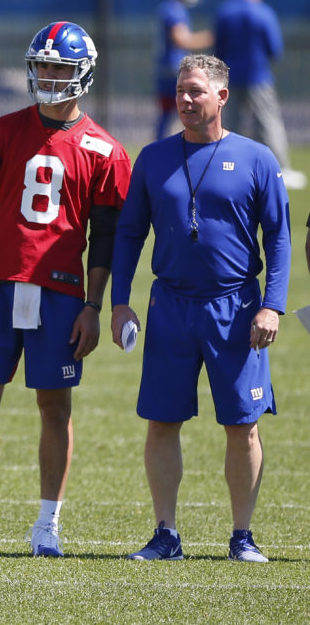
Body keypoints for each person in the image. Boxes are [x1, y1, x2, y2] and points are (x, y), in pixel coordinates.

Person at [0, 22, 132, 558]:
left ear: (81, 73)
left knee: (54, 407)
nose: (48, 75)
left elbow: (105, 239)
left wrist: (94, 305)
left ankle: (47, 527)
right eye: (41, 65)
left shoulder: (106, 150)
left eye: (59, 67)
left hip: (61, 292)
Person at [110, 54, 290, 563]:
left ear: (222, 97)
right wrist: (119, 303)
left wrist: (272, 306)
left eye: (195, 91)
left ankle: (242, 537)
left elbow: (278, 239)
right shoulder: (152, 157)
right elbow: (128, 234)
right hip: (169, 306)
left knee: (243, 424)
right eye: (180, 90)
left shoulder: (256, 158)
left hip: (236, 309)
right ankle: (165, 535)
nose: (185, 100)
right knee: (162, 422)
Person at [214, 0, 305, 190]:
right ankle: (281, 168)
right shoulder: (264, 12)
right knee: (268, 123)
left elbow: (218, 47)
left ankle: (222, 164)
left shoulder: (225, 11)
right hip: (258, 76)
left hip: (230, 76)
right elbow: (275, 48)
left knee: (228, 123)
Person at [154, 0, 214, 141]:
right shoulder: (174, 9)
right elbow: (181, 39)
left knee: (168, 115)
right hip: (174, 69)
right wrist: (211, 37)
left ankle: (164, 146)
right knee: (190, 109)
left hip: (167, 68)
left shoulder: (169, 8)